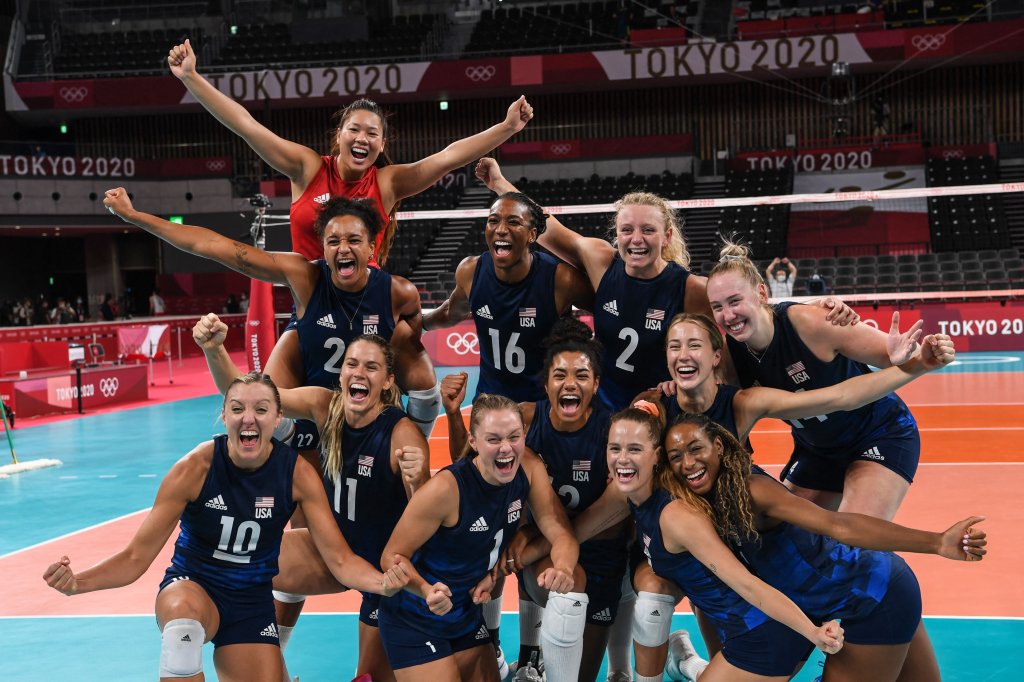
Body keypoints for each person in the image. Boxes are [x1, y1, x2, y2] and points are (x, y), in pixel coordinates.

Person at [167, 40, 531, 433]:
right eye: (354, 129)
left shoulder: (388, 183)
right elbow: (246, 126)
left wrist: (507, 127)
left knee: (422, 385)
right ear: (338, 134)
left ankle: (412, 459)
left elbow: (447, 156)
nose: (362, 138)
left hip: (368, 308)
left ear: (382, 144)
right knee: (267, 406)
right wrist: (192, 78)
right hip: (314, 303)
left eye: (372, 133)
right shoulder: (306, 167)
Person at [42, 371, 411, 682]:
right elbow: (136, 556)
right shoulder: (195, 468)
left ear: (278, 418)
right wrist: (78, 584)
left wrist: (384, 583)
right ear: (224, 415)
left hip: (251, 603)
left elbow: (341, 560)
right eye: (237, 408)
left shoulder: (296, 474)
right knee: (182, 634)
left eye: (261, 409)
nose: (248, 418)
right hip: (194, 586)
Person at [662, 413, 986, 682]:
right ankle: (690, 665)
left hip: (874, 595)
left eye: (696, 449)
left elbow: (839, 526)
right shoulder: (694, 505)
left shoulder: (751, 491)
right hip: (833, 599)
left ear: (718, 446)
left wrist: (936, 541)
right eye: (676, 456)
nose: (688, 463)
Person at [195, 317, 430, 682]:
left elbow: (426, 523)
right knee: (239, 565)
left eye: (371, 367)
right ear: (340, 374)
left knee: (370, 678)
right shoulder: (326, 406)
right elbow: (249, 396)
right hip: (333, 550)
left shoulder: (402, 433)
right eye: (352, 364)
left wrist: (418, 482)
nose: (359, 373)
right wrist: (215, 350)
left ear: (387, 383)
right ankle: (270, 672)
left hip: (388, 568)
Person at [103, 190, 440, 439]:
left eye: (354, 240)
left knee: (425, 379)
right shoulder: (305, 276)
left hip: (369, 409)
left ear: (371, 248)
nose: (343, 248)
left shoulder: (398, 293)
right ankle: (287, 445)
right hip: (312, 404)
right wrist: (135, 216)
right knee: (267, 409)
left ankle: (416, 442)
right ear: (322, 247)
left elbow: (413, 340)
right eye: (333, 240)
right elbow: (211, 246)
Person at [581, 407, 845, 681]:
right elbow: (576, 531)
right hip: (741, 634)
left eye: (634, 449)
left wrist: (812, 632)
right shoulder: (634, 494)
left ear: (656, 455)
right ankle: (686, 662)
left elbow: (747, 583)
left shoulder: (677, 516)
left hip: (763, 635)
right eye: (615, 448)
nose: (622, 458)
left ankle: (685, 662)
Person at [445, 317, 631, 682]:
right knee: (561, 578)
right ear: (546, 384)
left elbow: (621, 505)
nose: (570, 383)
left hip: (603, 560)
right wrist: (453, 413)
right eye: (559, 374)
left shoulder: (614, 432)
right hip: (548, 558)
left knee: (582, 675)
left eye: (581, 374)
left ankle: (541, 662)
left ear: (596, 383)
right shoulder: (526, 420)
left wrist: (532, 541)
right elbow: (464, 463)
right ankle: (518, 654)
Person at [705, 239, 929, 521]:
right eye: (718, 306)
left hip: (878, 433)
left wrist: (902, 355)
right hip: (818, 450)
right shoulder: (731, 355)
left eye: (735, 301)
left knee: (857, 542)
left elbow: (904, 354)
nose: (728, 315)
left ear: (761, 292)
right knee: (786, 536)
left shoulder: (811, 323)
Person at [377, 394, 582, 682]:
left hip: (465, 614)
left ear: (525, 434)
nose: (506, 448)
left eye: (514, 436)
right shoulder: (446, 491)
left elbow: (562, 534)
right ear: (473, 441)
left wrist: (562, 567)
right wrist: (425, 590)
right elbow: (391, 557)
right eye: (493, 439)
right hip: (415, 618)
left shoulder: (529, 469)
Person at [424, 192, 593, 402]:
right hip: (490, 403)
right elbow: (451, 312)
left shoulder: (561, 280)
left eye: (513, 222)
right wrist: (418, 324)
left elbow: (608, 312)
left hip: (544, 407)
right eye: (493, 221)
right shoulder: (470, 271)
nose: (501, 230)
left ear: (532, 235)